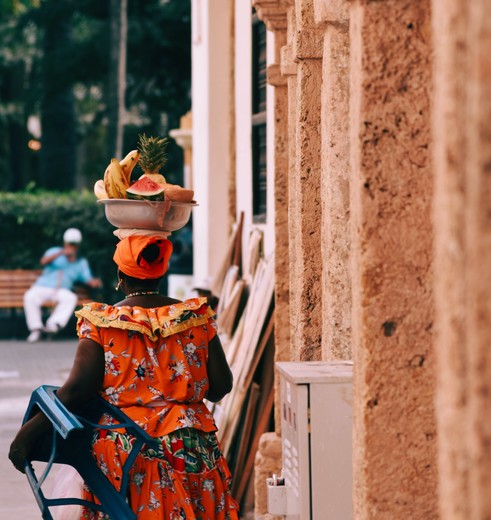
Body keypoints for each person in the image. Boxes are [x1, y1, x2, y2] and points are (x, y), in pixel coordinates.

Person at [10, 234, 239, 519]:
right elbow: (221, 387)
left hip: (128, 449)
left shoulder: (103, 323)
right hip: (191, 446)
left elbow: (77, 390)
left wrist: (27, 434)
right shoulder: (196, 317)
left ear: (120, 275)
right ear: (161, 270)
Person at [23, 228, 102, 342]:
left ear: (78, 246)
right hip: (42, 286)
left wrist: (95, 282)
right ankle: (36, 329)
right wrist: (61, 253)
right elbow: (43, 262)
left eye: (74, 245)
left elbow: (88, 280)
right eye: (69, 244)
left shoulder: (81, 262)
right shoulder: (55, 251)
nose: (71, 247)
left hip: (61, 290)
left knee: (71, 298)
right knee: (29, 296)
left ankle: (53, 325)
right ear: (65, 243)